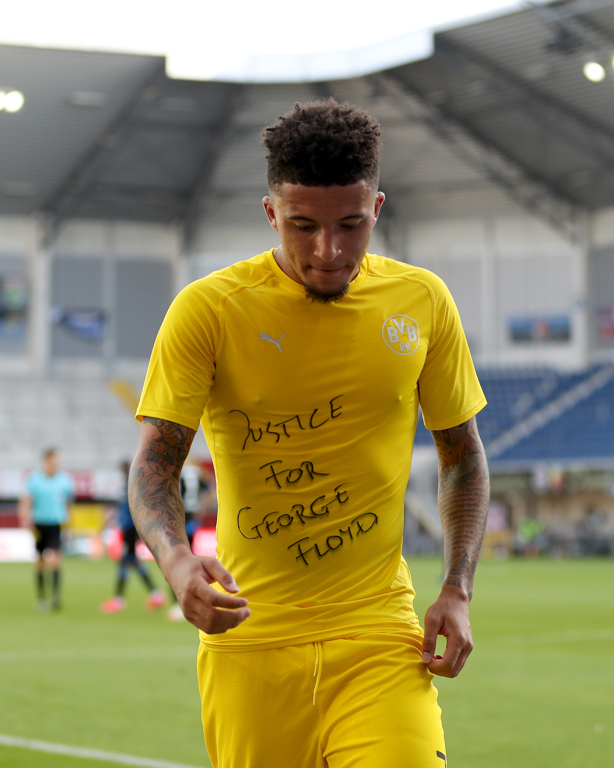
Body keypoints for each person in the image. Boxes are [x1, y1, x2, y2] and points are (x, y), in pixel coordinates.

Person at [129, 99, 489, 767]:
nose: (330, 251)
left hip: (379, 632)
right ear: (272, 215)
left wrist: (457, 587)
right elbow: (155, 461)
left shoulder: (423, 301)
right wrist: (176, 563)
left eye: (351, 225)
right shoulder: (208, 311)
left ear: (377, 209)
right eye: (304, 226)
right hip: (251, 639)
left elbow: (461, 454)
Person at [101, 462, 166, 614]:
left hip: (130, 527)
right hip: (129, 527)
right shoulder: (129, 485)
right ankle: (155, 595)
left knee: (126, 561)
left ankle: (119, 600)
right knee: (131, 561)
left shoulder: (131, 486)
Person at [20, 448, 73, 611]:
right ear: (46, 461)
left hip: (56, 523)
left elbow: (68, 502)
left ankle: (56, 597)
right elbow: (27, 500)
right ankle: (41, 597)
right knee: (40, 561)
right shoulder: (35, 480)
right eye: (52, 461)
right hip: (39, 523)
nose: (55, 464)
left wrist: (69, 522)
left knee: (56, 559)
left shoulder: (64, 480)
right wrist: (25, 518)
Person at [165, 463, 207, 622]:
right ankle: (195, 601)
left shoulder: (177, 470)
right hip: (191, 522)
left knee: (174, 562)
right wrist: (201, 508)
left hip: (178, 521)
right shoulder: (197, 472)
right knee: (190, 560)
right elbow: (208, 490)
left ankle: (178, 604)